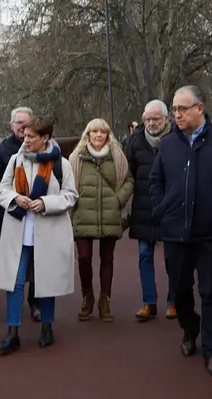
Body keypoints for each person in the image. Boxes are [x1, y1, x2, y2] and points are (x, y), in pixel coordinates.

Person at [149, 85, 212, 378]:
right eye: (174, 110)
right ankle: (189, 329)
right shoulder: (168, 144)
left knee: (211, 292)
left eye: (181, 109)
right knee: (179, 290)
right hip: (175, 231)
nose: (176, 115)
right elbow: (155, 180)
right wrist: (162, 206)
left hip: (211, 231)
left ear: (199, 109)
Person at [0, 116, 78, 354]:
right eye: (24, 135)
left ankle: (47, 328)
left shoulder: (62, 164)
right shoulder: (15, 160)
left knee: (46, 281)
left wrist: (45, 202)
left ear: (45, 138)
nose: (25, 139)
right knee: (15, 282)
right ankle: (12, 333)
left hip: (49, 230)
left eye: (31, 136)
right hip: (18, 231)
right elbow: (2, 190)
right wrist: (15, 198)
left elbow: (71, 196)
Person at [69, 118, 134, 321]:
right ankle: (87, 296)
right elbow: (67, 182)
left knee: (107, 259)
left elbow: (129, 180)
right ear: (87, 135)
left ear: (108, 135)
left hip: (109, 214)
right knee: (84, 258)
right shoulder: (76, 157)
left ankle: (105, 300)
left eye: (103, 132)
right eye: (94, 131)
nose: (98, 135)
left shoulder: (117, 156)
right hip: (83, 214)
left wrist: (118, 199)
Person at [0, 107, 41, 321]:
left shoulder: (42, 150)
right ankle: (14, 313)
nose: (23, 128)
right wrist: (12, 202)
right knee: (15, 267)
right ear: (12, 126)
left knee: (37, 264)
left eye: (27, 124)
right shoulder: (0, 151)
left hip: (37, 216)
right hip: (11, 216)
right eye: (19, 123)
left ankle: (35, 303)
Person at [124, 100, 176, 322]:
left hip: (171, 205)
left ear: (166, 119)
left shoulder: (177, 139)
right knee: (145, 255)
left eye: (156, 119)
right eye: (148, 119)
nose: (151, 123)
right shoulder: (135, 141)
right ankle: (149, 302)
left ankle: (174, 302)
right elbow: (129, 172)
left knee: (172, 256)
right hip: (144, 206)